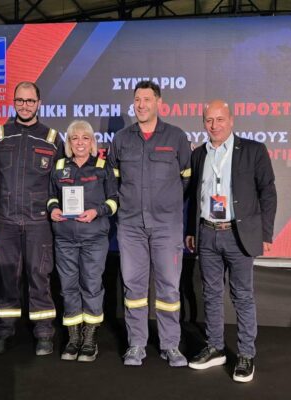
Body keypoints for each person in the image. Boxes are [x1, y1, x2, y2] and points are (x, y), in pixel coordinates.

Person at [185, 100, 277, 382]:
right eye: (209, 120)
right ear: (204, 123)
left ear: (231, 120)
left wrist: (266, 233)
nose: (214, 125)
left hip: (239, 234)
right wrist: (191, 230)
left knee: (242, 295)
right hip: (207, 232)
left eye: (220, 119)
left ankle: (246, 354)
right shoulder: (199, 154)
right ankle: (215, 348)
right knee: (211, 294)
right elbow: (195, 197)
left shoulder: (253, 150)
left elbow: (268, 193)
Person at [109, 81, 191, 367]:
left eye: (147, 99)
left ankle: (170, 345)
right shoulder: (121, 139)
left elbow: (186, 179)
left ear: (159, 102)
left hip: (166, 226)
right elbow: (113, 180)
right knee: (134, 287)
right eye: (137, 100)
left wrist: (167, 204)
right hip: (131, 226)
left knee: (169, 288)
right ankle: (136, 344)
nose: (141, 105)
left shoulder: (176, 137)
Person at [0, 81, 64, 356]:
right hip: (6, 221)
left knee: (39, 277)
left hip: (38, 222)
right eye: (20, 100)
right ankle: (4, 332)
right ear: (14, 102)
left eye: (30, 101)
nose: (25, 105)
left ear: (39, 103)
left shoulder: (52, 138)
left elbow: (60, 183)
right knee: (6, 277)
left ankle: (44, 334)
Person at [47, 120, 118, 362]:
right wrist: (54, 209)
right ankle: (73, 337)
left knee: (91, 285)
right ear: (68, 142)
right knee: (68, 287)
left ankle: (90, 338)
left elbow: (114, 200)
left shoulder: (102, 166)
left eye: (85, 138)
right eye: (74, 138)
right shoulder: (59, 166)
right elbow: (51, 196)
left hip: (94, 238)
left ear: (92, 142)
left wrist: (96, 211)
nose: (80, 142)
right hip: (64, 238)